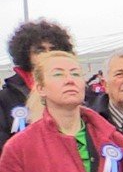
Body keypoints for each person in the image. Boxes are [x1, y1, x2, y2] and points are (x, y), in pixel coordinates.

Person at [1, 20, 75, 151]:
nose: (47, 54)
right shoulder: (5, 99)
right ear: (26, 54)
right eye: (39, 50)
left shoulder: (74, 91)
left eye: (53, 49)